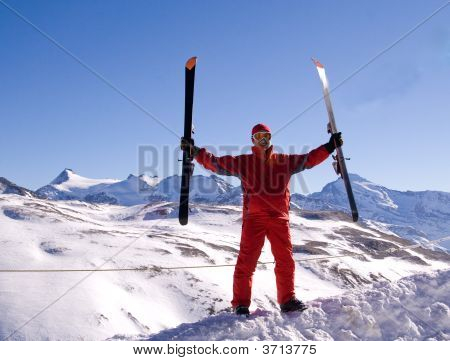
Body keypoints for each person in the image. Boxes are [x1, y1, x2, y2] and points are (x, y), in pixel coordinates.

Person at [181, 123, 343, 315]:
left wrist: (329, 146)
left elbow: (309, 159)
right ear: (252, 141)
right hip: (254, 219)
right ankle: (241, 304)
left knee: (285, 261)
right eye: (258, 137)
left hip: (279, 219)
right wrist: (196, 151)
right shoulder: (243, 162)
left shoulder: (285, 161)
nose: (262, 140)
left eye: (265, 136)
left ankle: (287, 300)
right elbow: (215, 163)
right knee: (246, 262)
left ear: (271, 138)